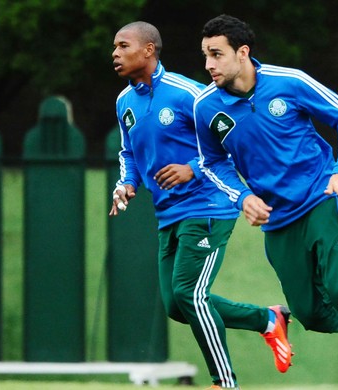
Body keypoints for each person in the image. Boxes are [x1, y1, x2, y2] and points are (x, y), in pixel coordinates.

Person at [193, 14, 338, 387]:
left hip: (321, 200)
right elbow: (211, 162)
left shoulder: (289, 82)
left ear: (242, 53)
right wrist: (242, 195)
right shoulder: (206, 108)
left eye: (217, 54)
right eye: (206, 55)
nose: (209, 64)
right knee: (313, 316)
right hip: (278, 222)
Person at [110, 21, 293, 389]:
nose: (115, 53)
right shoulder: (123, 102)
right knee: (177, 305)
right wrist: (127, 182)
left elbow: (226, 143)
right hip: (168, 214)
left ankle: (224, 381)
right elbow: (128, 152)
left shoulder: (186, 93)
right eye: (114, 47)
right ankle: (268, 320)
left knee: (189, 294)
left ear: (148, 50)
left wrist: (191, 168)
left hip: (208, 205)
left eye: (122, 45)